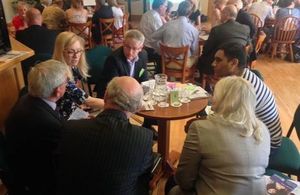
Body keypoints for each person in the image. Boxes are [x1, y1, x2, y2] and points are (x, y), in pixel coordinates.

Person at [168, 76, 270, 195]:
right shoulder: (263, 129)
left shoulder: (201, 128)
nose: (212, 97)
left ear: (223, 99)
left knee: (173, 188)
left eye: (215, 93)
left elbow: (184, 181)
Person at [56, 76, 153, 195]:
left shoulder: (70, 127)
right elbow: (143, 172)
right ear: (137, 107)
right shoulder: (143, 137)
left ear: (105, 96)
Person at [5, 60, 71, 195]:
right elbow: (65, 156)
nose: (67, 85)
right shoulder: (48, 124)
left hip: (21, 166)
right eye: (66, 82)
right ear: (58, 90)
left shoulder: (26, 98)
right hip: (39, 182)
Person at [212, 42, 282, 151]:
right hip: (262, 133)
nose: (213, 64)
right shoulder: (243, 75)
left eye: (218, 60)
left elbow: (229, 122)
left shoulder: (243, 88)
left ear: (233, 63)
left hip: (267, 143)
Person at [52, 31, 104, 119]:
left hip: (73, 110)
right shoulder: (60, 75)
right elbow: (88, 101)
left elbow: (75, 94)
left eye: (79, 51)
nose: (76, 56)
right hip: (62, 119)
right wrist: (115, 105)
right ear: (61, 52)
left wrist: (78, 105)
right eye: (71, 52)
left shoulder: (72, 66)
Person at [198, 5, 250, 75]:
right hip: (238, 67)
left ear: (226, 14)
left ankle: (202, 80)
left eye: (222, 13)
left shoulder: (217, 30)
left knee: (200, 59)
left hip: (217, 66)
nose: (220, 15)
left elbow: (206, 50)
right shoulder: (246, 28)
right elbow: (249, 46)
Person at [96, 29, 148, 98]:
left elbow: (143, 77)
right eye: (127, 47)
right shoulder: (114, 59)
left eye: (134, 49)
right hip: (111, 95)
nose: (130, 52)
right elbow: (114, 88)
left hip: (131, 93)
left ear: (140, 48)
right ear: (123, 43)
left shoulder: (143, 55)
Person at [151, 0, 199, 70]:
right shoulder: (193, 30)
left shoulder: (167, 25)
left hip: (167, 62)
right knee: (196, 56)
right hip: (184, 64)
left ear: (177, 11)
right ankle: (191, 76)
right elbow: (195, 51)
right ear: (190, 13)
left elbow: (152, 38)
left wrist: (160, 50)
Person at [16, 8, 59, 83]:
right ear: (41, 18)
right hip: (53, 74)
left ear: (27, 20)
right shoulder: (54, 34)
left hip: (28, 76)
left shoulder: (20, 35)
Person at [139, 0, 168, 73]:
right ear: (161, 7)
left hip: (144, 45)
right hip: (150, 49)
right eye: (166, 6)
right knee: (168, 53)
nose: (166, 8)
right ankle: (159, 75)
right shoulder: (155, 17)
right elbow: (162, 35)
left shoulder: (147, 13)